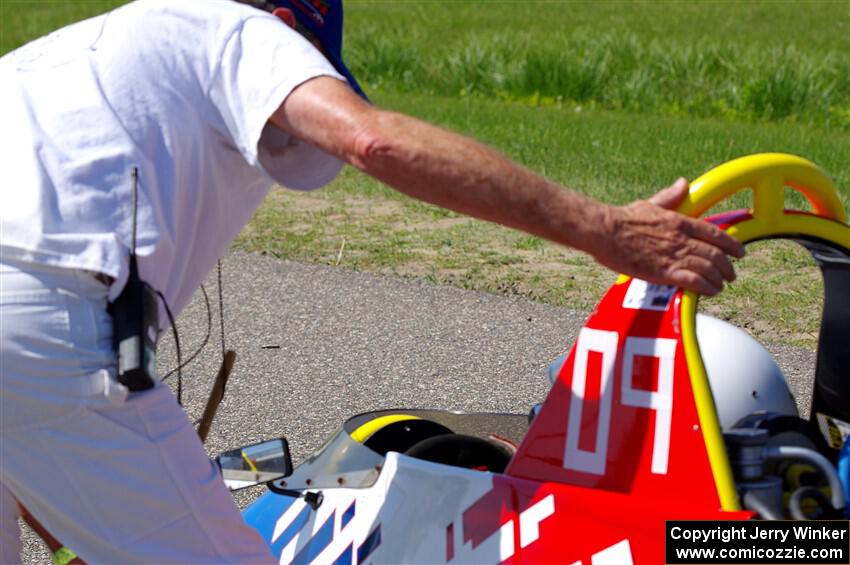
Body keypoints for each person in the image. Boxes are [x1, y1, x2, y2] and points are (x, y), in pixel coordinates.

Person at [0, 0, 744, 562]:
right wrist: (605, 229)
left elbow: (45, 440)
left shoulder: (59, 60)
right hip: (52, 315)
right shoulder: (237, 29)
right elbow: (372, 137)